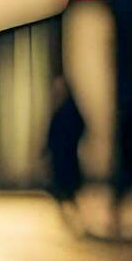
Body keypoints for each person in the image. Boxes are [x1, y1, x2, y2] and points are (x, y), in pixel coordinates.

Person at [45, 77, 86, 236]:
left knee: (67, 191)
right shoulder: (59, 110)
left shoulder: (70, 109)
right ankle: (68, 220)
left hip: (67, 158)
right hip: (59, 158)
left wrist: (71, 142)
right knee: (61, 192)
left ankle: (73, 219)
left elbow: (81, 127)